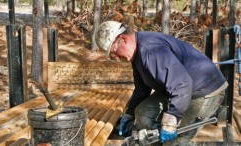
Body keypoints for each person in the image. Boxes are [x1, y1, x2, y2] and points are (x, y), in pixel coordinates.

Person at [94, 21, 228, 145]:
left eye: (114, 52)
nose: (116, 58)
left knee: (176, 141)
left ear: (123, 39)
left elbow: (182, 84)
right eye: (112, 57)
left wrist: (171, 120)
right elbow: (141, 89)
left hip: (205, 91)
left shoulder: (150, 50)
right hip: (178, 90)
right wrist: (129, 114)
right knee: (142, 113)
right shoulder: (137, 55)